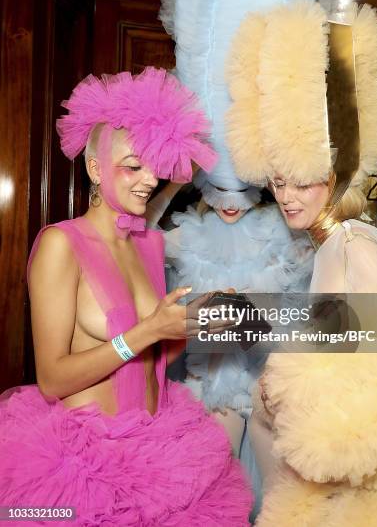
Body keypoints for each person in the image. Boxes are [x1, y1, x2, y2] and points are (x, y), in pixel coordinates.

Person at [0, 67, 253, 526]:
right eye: (133, 166)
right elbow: (53, 380)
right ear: (95, 167)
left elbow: (156, 352)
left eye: (155, 165)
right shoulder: (62, 244)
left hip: (161, 451)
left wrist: (192, 322)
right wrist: (145, 331)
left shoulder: (148, 244)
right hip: (84, 466)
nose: (149, 180)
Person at [226, 0, 377, 525]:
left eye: (301, 180)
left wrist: (320, 429)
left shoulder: (353, 245)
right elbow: (344, 339)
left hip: (357, 494)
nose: (286, 196)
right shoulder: (328, 246)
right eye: (277, 182)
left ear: (336, 176)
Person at [156, 0, 318, 517]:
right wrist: (172, 179)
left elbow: (329, 320)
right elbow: (150, 272)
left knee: (275, 494)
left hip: (274, 385)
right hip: (209, 385)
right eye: (216, 192)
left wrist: (259, 316)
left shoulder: (299, 234)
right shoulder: (181, 234)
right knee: (209, 490)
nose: (230, 205)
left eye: (244, 191)